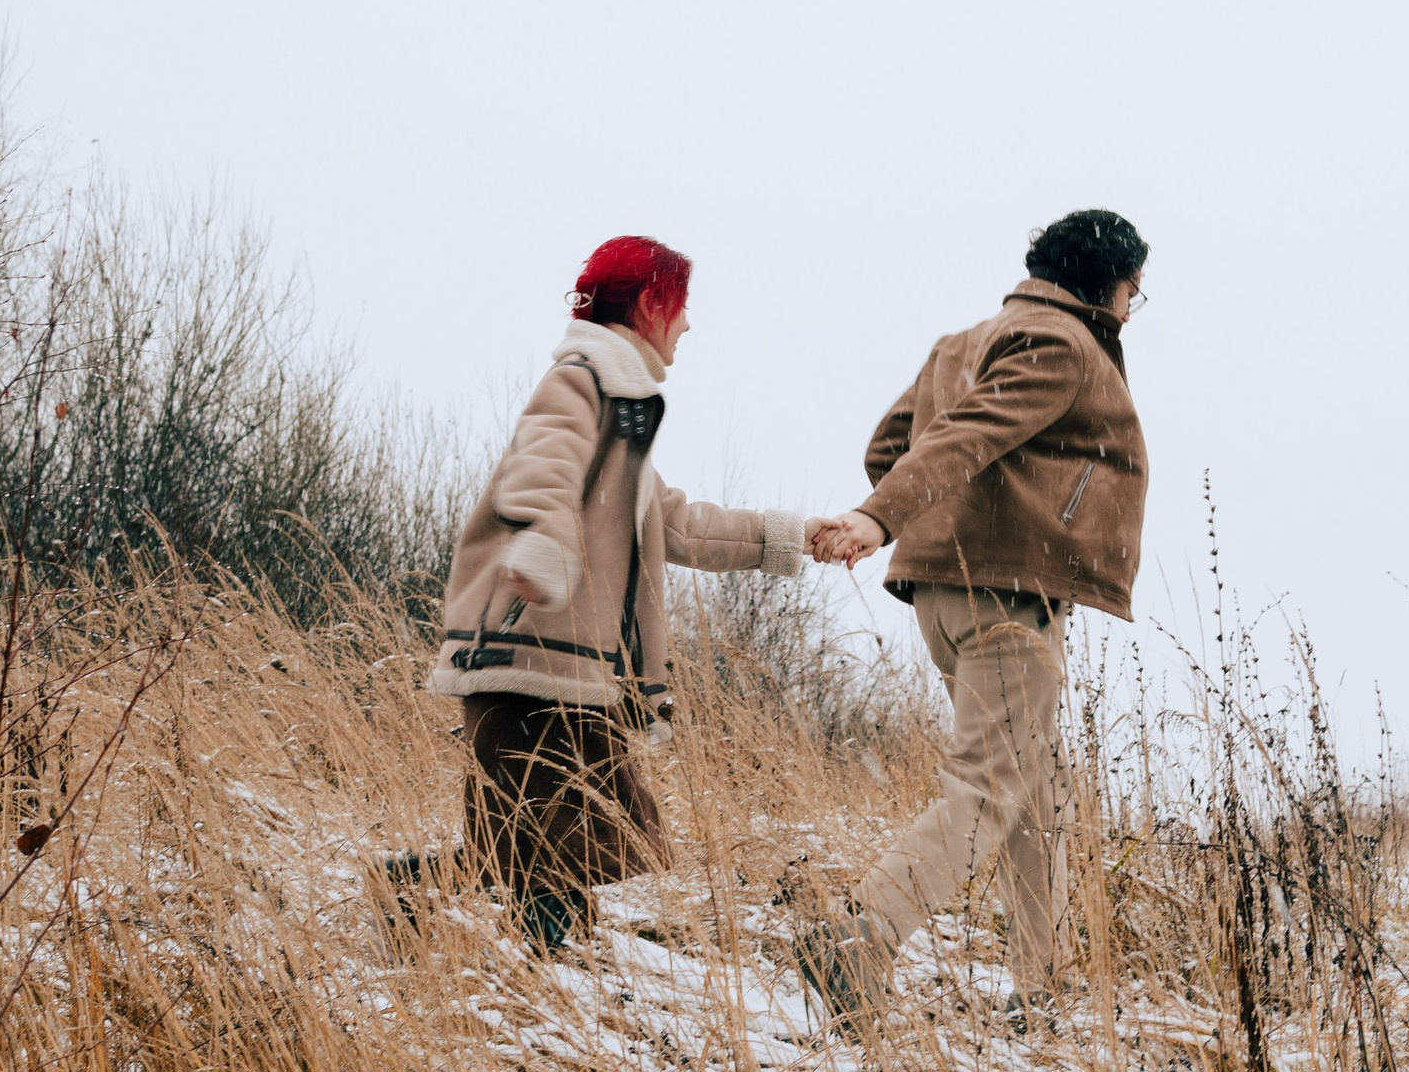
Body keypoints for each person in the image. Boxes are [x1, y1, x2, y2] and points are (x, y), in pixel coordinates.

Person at [804, 207, 1149, 1025]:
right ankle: (861, 936)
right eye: (1137, 290)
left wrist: (926, 521)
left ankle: (1045, 984)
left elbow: (894, 442)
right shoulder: (1064, 344)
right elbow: (965, 436)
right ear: (1109, 281)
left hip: (947, 596)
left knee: (1038, 795)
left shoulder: (962, 342)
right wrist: (881, 519)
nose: (1136, 308)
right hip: (1005, 598)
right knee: (990, 792)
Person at [428, 235, 809, 952]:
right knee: (564, 839)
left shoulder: (624, 412)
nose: (688, 326)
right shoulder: (580, 379)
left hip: (566, 674)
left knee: (576, 834)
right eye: (683, 307)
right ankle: (537, 963)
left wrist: (790, 536)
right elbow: (543, 462)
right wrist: (541, 541)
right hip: (529, 661)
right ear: (650, 304)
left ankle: (439, 909)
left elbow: (682, 526)